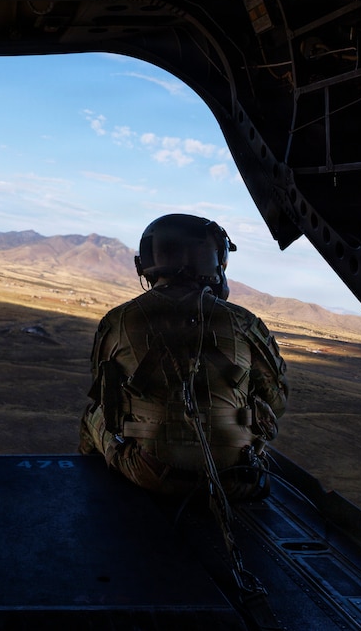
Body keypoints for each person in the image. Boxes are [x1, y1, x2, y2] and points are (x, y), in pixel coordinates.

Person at [79, 214, 289, 501]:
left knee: (93, 415)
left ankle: (89, 491)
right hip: (237, 479)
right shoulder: (244, 321)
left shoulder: (118, 320)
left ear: (149, 261)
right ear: (212, 259)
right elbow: (276, 402)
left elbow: (104, 394)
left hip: (151, 473)